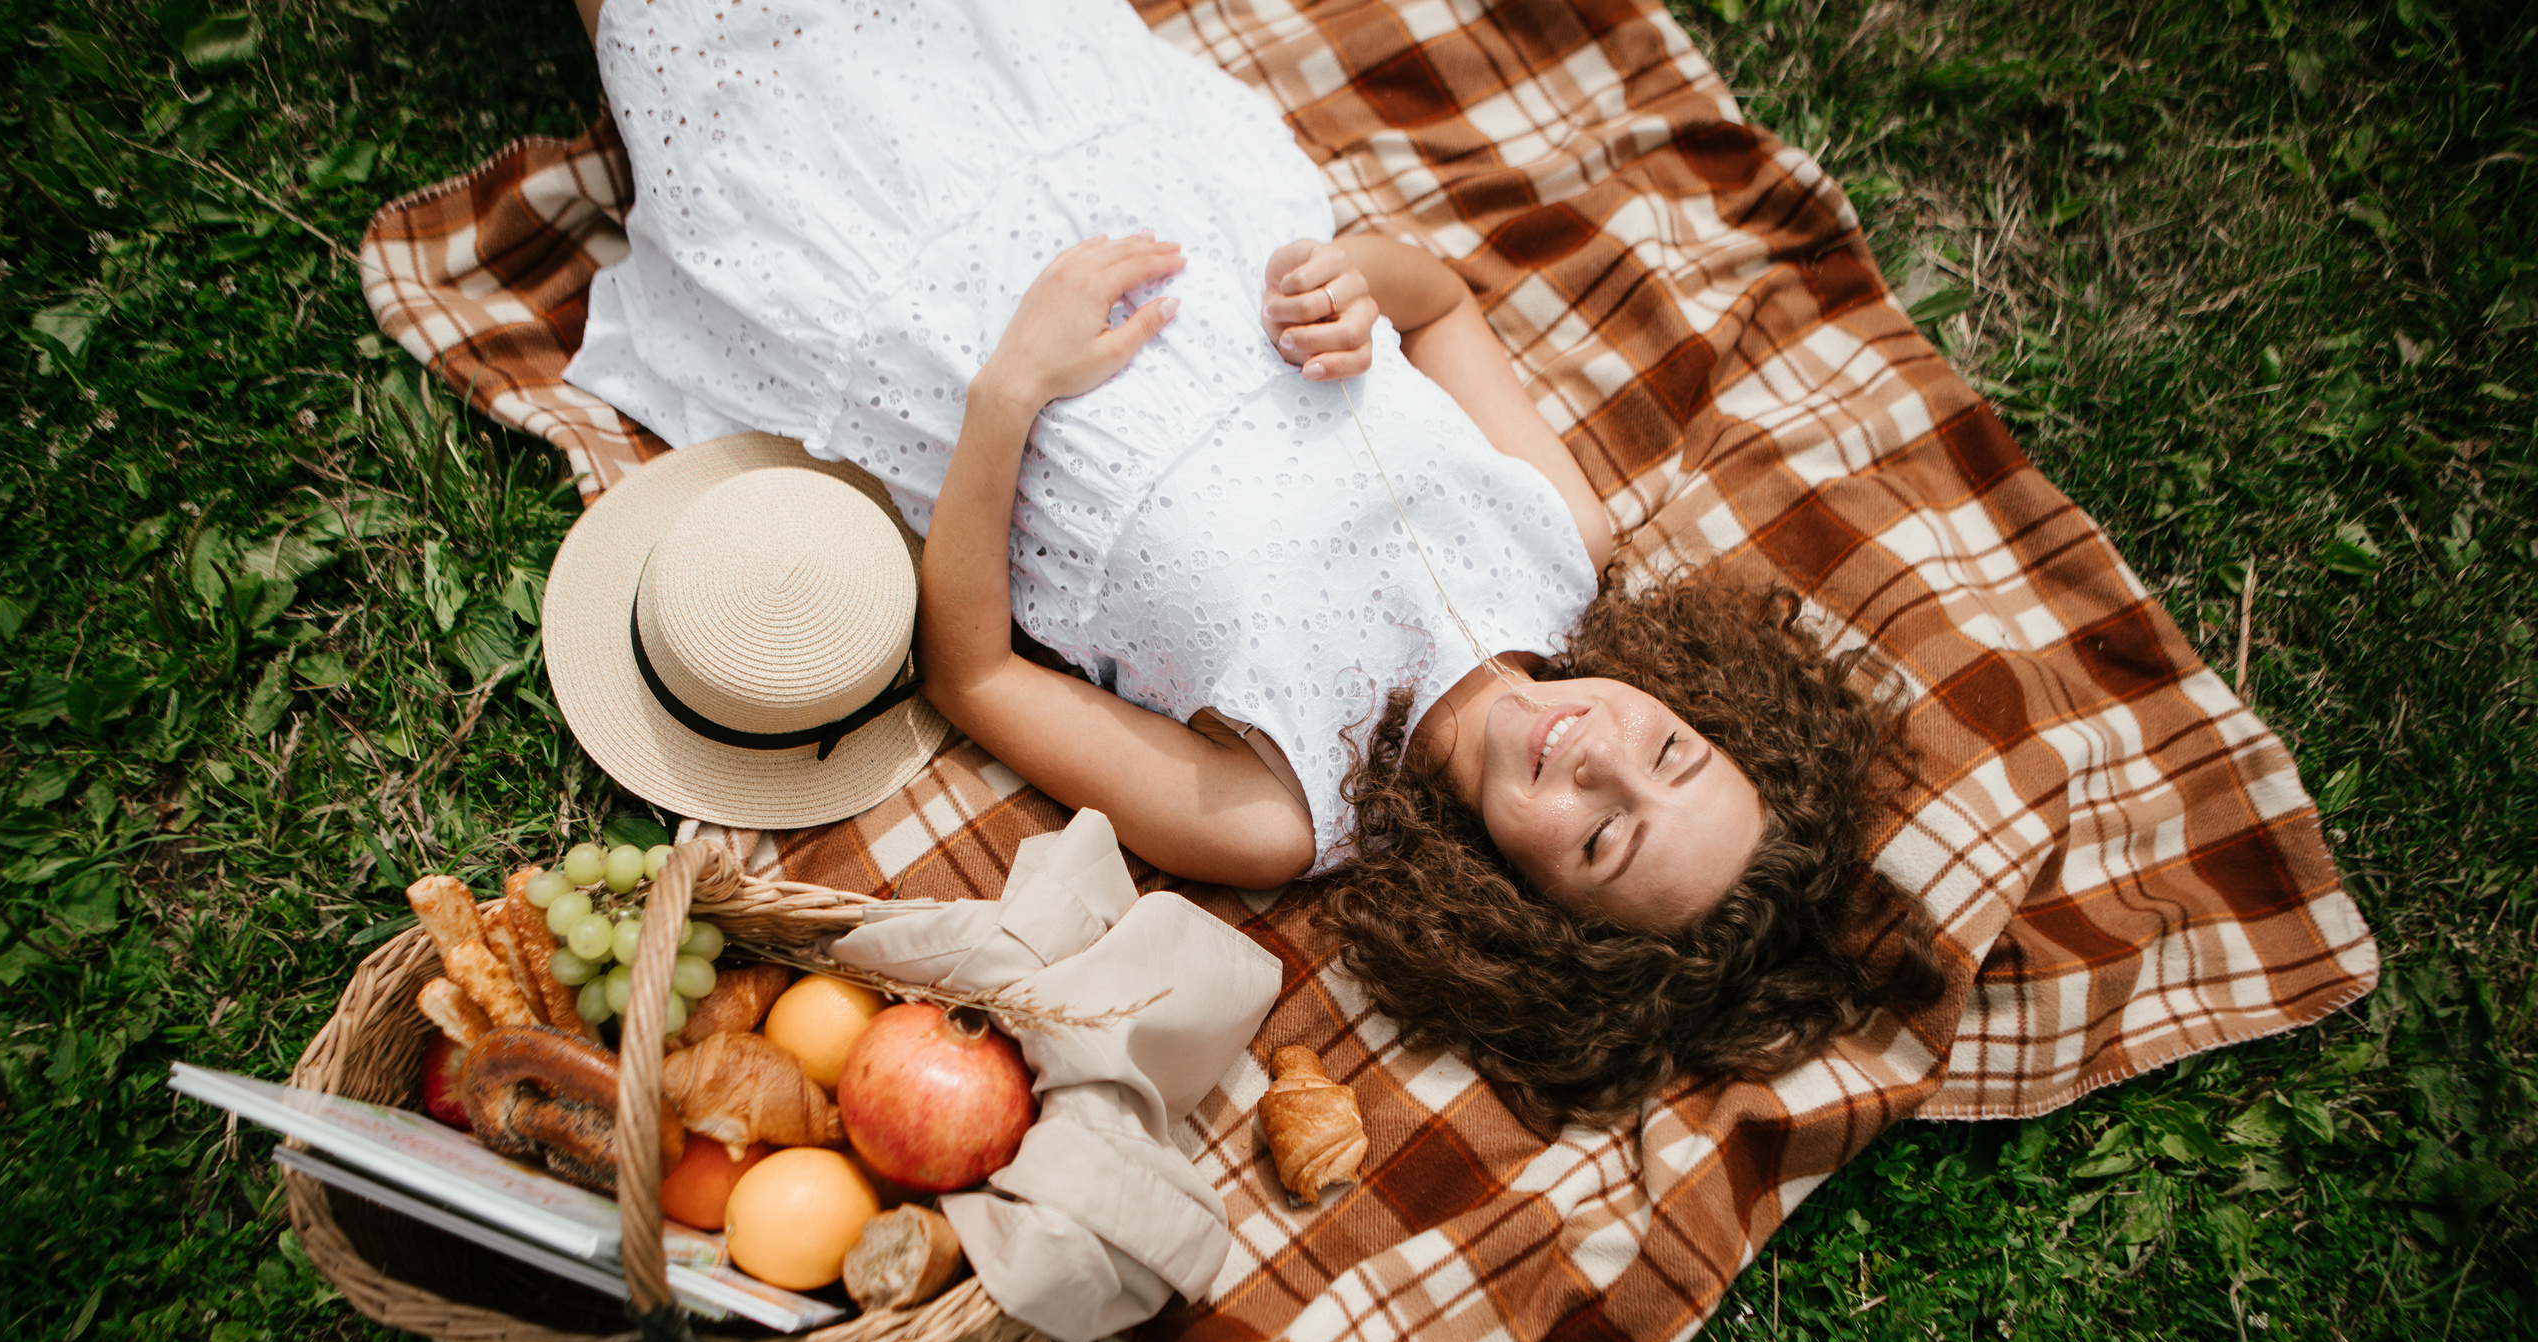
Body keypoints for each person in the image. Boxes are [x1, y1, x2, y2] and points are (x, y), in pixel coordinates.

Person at [561, 0, 1936, 1119]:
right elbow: (1439, 306)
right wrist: (1361, 285)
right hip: (1125, 175)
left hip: (932, 299)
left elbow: (974, 674)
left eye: (1601, 834)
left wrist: (1011, 387)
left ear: (1537, 912)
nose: (1599, 754)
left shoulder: (1282, 810)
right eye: (1671, 752)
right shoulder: (1561, 548)